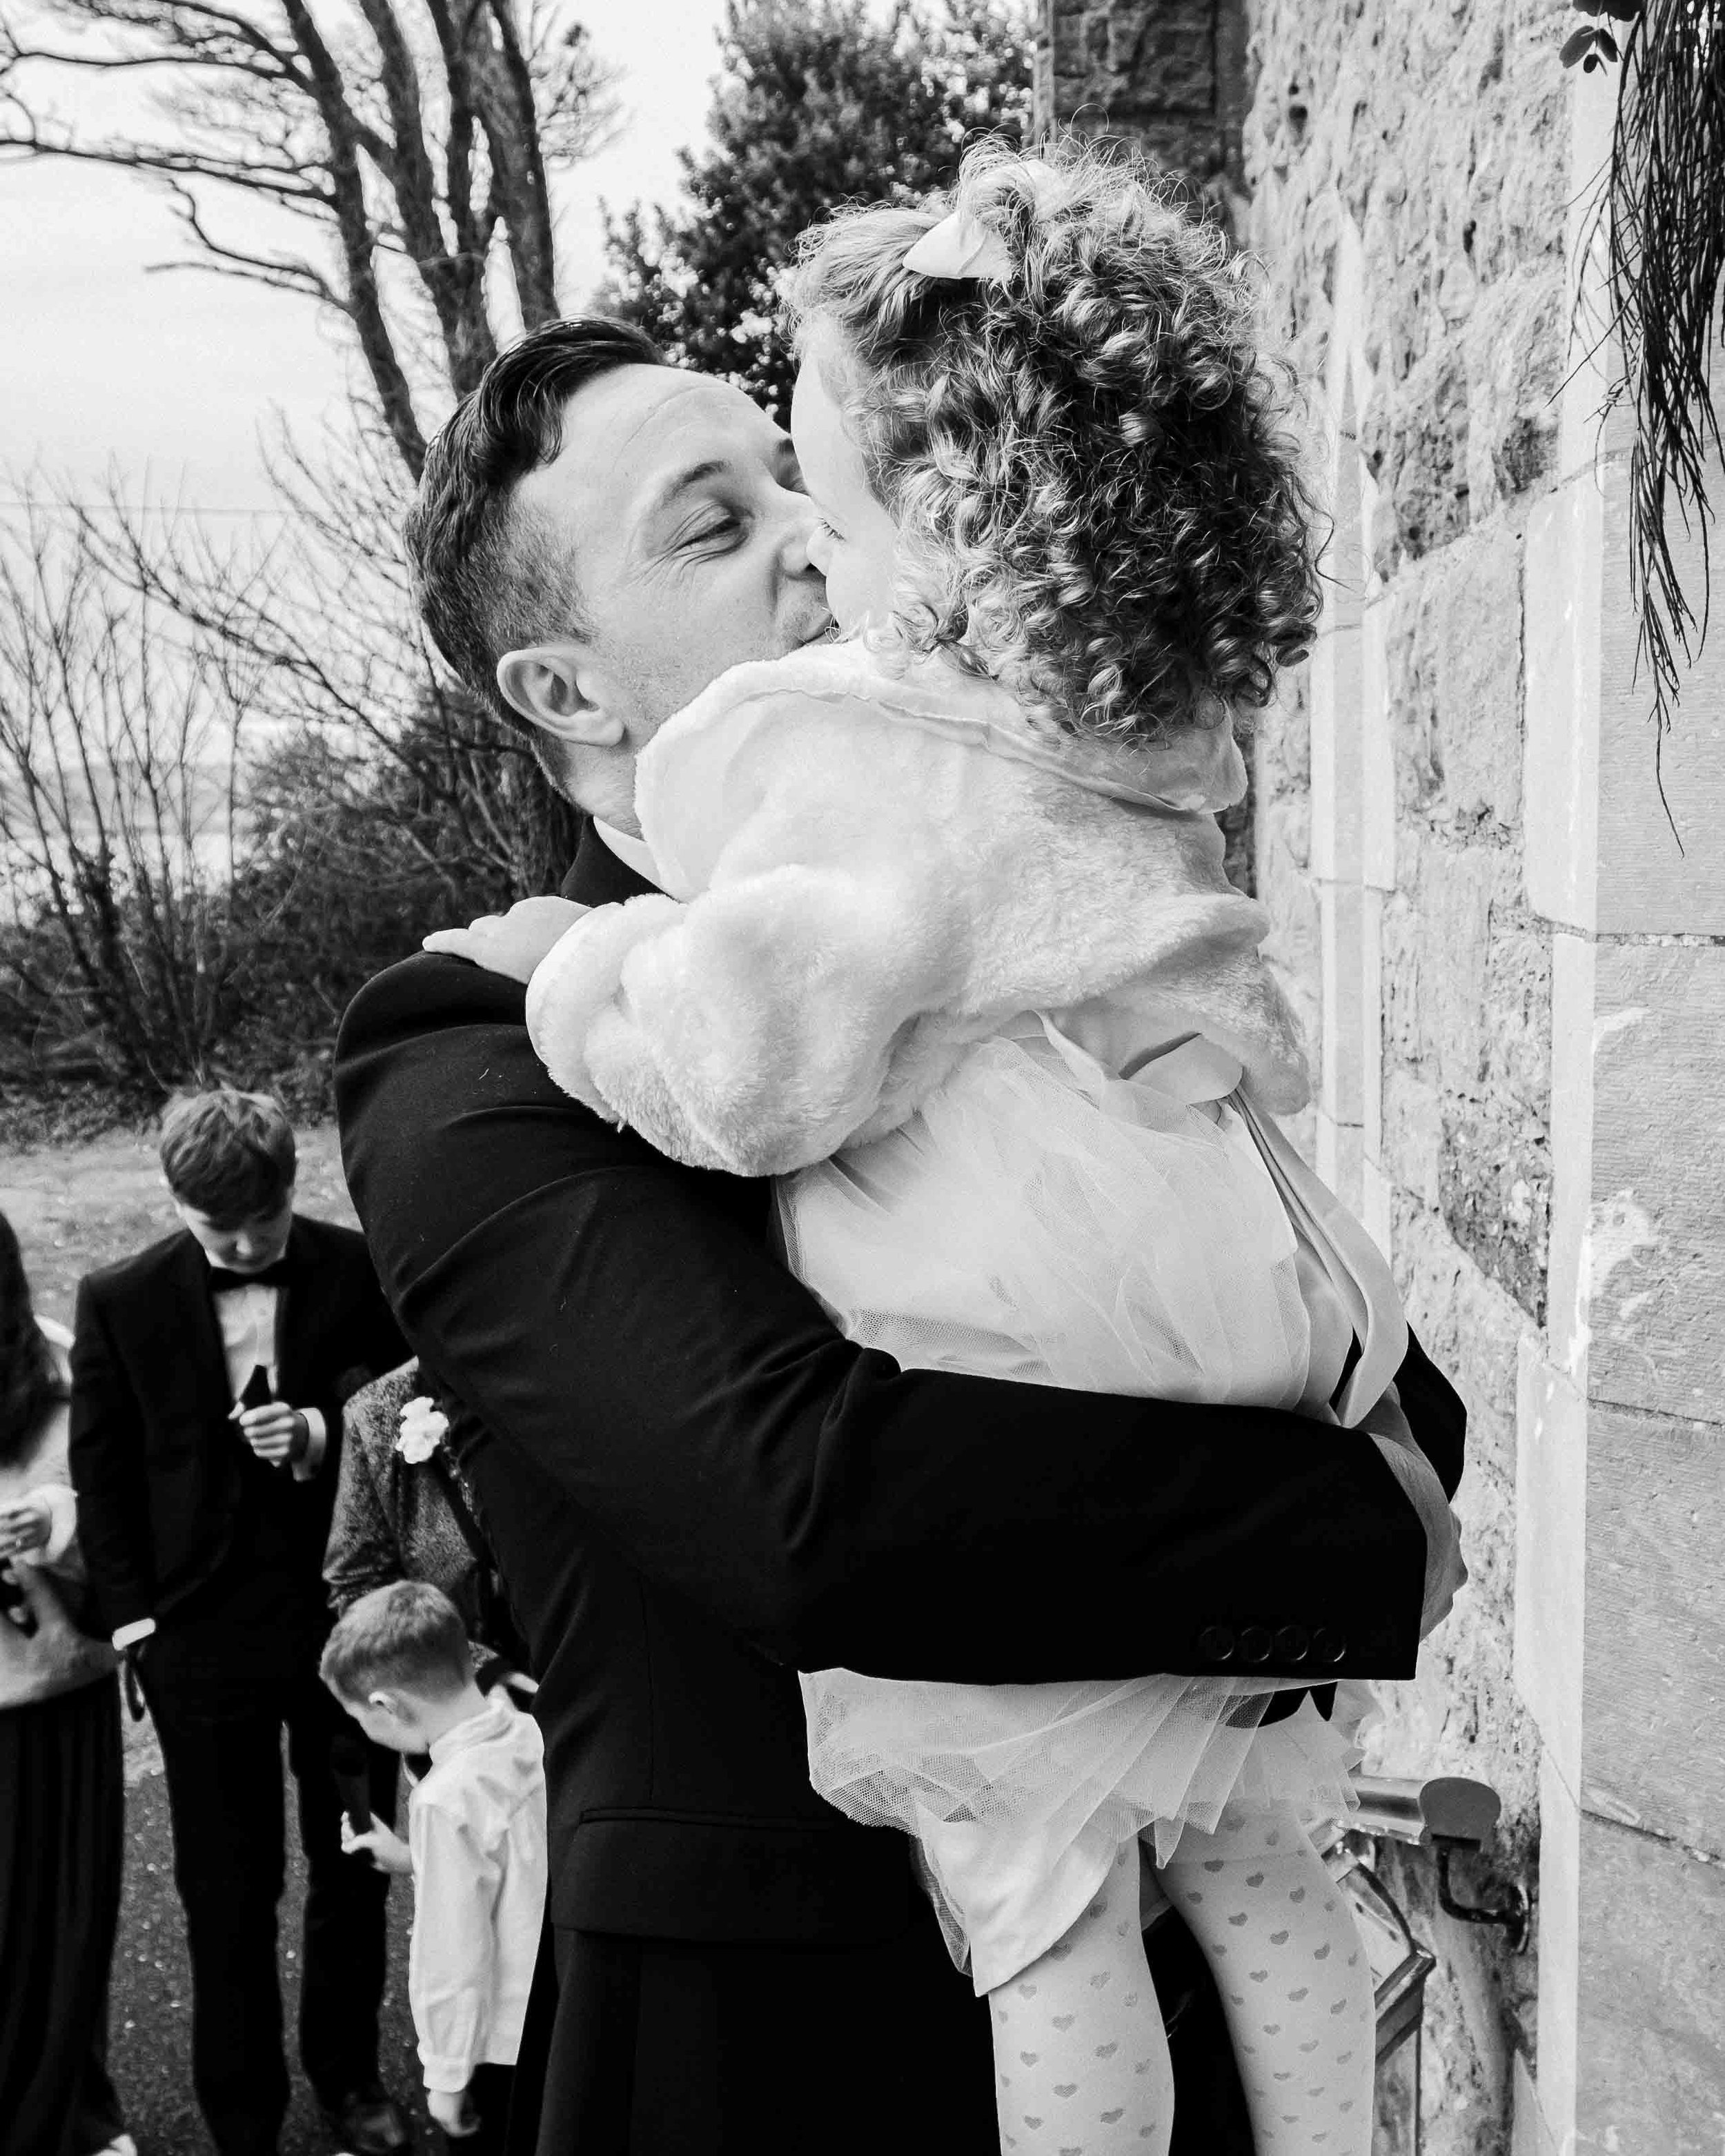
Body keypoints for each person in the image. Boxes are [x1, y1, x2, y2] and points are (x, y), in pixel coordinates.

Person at [334, 301, 1468, 2153]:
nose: (805, 531)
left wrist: (1373, 1473)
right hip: (775, 2053)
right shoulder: (477, 1040)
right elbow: (819, 1507)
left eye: (795, 477)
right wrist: (1371, 1526)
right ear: (566, 690)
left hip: (1181, 2016)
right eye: (709, 522)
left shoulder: (1011, 879)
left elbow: (1378, 1361)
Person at [67, 1089, 411, 2156]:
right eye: (222, 1232)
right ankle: (240, 2109)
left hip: (339, 1619)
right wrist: (131, 1629)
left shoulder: (358, 1269)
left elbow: (409, 1411)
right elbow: (104, 1469)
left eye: (264, 1221)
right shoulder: (117, 1297)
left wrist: (318, 1433)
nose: (251, 1244)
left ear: (292, 1183)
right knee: (224, 1887)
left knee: (354, 1859)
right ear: (176, 1203)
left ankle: (350, 2081)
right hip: (193, 1638)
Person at [322, 1582, 548, 2156]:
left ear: (387, 1705)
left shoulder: (444, 1799)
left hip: (494, 2046)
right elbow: (509, 1865)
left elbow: (455, 1951)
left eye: (359, 1718)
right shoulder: (529, 1729)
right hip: (554, 2009)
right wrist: (406, 1856)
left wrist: (446, 2076)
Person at [0, 1208, 132, 2156]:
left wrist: (61, 1522)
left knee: (55, 1929)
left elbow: (133, 1529)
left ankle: (70, 2116)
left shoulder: (62, 1371)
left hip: (49, 1699)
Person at [326, 1359, 533, 1683]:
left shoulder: (555, 1370)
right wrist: (475, 1674)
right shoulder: (377, 1411)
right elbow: (360, 1587)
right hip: (477, 1697)